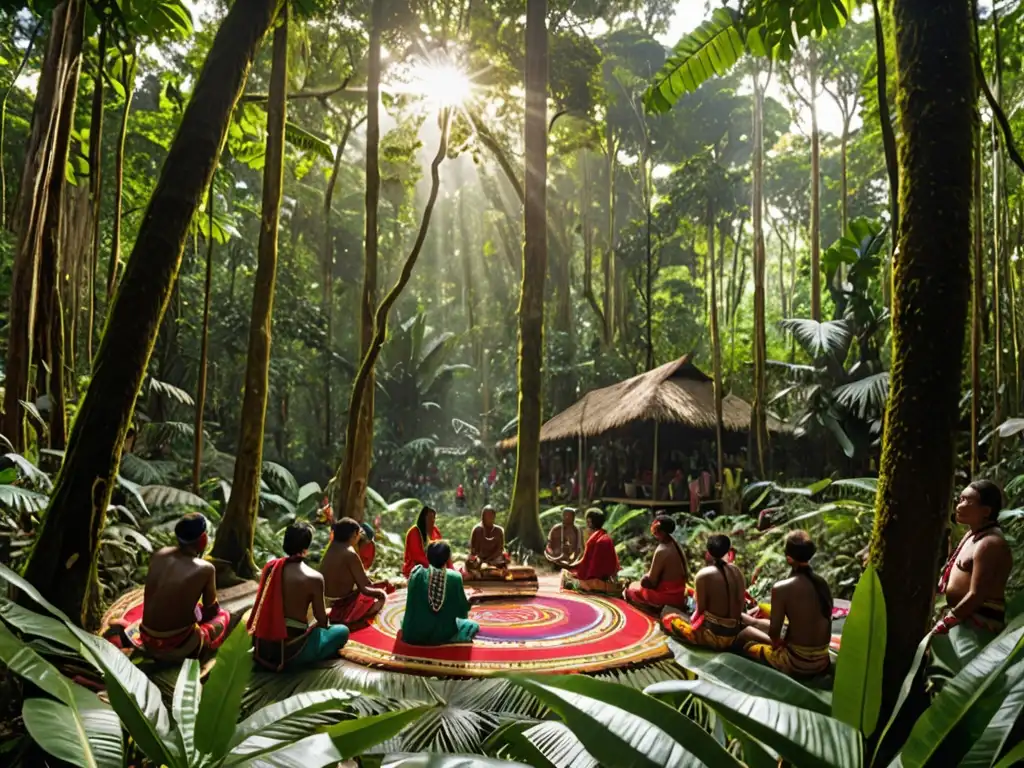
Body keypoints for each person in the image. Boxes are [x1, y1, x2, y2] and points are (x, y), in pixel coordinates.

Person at [248, 522, 350, 671]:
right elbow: (322, 621)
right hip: (293, 651)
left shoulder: (271, 568)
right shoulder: (314, 578)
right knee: (342, 631)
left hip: (265, 647)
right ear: (306, 548)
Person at [739, 530, 833, 677]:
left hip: (797, 663)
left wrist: (780, 644)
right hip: (822, 660)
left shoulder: (782, 588)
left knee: (746, 634)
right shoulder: (822, 583)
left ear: (789, 559)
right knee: (757, 622)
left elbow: (774, 634)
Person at [138, 513, 230, 661]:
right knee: (223, 616)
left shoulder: (160, 553)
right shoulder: (206, 568)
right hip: (176, 645)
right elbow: (211, 608)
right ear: (203, 539)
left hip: (146, 637)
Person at [934, 480, 1013, 636]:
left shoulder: (990, 544)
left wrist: (949, 620)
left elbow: (977, 595)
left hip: (979, 624)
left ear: (985, 511)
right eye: (960, 499)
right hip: (964, 620)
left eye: (967, 501)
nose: (959, 506)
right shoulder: (972, 534)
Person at [661, 534, 745, 650]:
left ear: (709, 552)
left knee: (668, 614)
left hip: (714, 635)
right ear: (728, 550)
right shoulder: (736, 571)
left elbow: (701, 610)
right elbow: (741, 602)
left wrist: (690, 623)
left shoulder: (703, 575)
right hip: (735, 631)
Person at [401, 541, 480, 645]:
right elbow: (461, 613)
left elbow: (411, 602)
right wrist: (469, 602)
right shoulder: (455, 577)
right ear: (447, 559)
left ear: (427, 556)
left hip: (412, 633)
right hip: (441, 636)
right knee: (472, 625)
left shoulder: (417, 573)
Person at [321, 517, 388, 627]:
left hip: (326, 598)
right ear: (355, 534)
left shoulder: (331, 548)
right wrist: (382, 593)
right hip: (342, 604)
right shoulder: (350, 553)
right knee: (382, 593)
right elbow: (365, 587)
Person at [625, 515, 689, 614]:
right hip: (679, 593)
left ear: (659, 531)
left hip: (669, 596)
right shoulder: (675, 544)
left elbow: (652, 582)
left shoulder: (662, 550)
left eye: (655, 529)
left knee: (631, 590)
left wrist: (644, 578)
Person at [560, 508, 621, 595]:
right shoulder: (605, 536)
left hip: (598, 583)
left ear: (589, 522)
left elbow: (591, 570)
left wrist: (576, 574)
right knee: (568, 574)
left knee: (566, 577)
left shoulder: (595, 540)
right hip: (611, 580)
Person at [402, 505, 451, 578]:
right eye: (429, 518)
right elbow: (417, 557)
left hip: (435, 569)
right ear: (423, 519)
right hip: (416, 570)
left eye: (433, 518)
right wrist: (434, 569)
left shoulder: (436, 531)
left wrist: (451, 570)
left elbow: (443, 551)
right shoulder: (414, 532)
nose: (432, 520)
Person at [464, 505, 510, 578]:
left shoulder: (499, 531)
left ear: (494, 516)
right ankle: (481, 572)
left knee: (503, 560)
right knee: (471, 562)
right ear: (483, 516)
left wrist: (489, 560)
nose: (489, 518)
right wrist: (480, 559)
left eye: (491, 515)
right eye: (487, 515)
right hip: (479, 559)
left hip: (494, 559)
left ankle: (491, 572)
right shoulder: (477, 529)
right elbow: (473, 550)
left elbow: (500, 549)